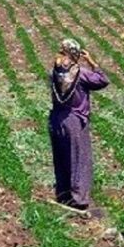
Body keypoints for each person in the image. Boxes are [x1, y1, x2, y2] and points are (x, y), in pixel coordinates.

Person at [48, 39, 109, 211]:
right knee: (79, 159)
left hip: (56, 119)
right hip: (74, 120)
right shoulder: (81, 73)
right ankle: (79, 199)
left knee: (61, 158)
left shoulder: (54, 72)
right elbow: (103, 80)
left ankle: (63, 195)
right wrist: (92, 62)